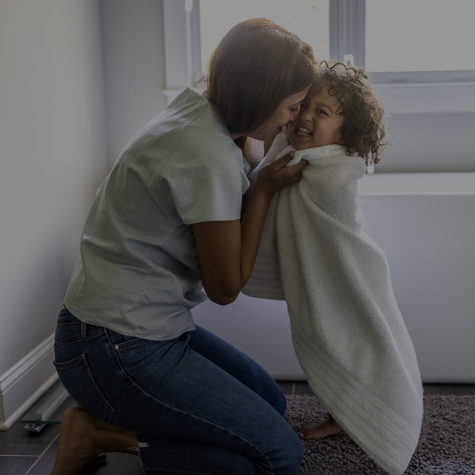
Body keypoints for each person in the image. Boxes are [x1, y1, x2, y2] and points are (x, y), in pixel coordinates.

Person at [51, 19, 316, 475]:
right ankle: (98, 434)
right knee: (278, 456)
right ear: (257, 93)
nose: (292, 119)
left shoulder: (197, 111)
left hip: (133, 329)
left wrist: (261, 157)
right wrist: (266, 189)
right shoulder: (206, 154)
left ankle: (127, 428)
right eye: (290, 107)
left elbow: (237, 172)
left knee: (271, 402)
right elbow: (226, 287)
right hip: (114, 349)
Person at [247, 60, 388, 449]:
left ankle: (361, 413)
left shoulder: (334, 167)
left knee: (354, 342)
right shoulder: (289, 151)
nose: (305, 116)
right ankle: (342, 412)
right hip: (323, 275)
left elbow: (336, 221)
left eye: (321, 112)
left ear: (346, 134)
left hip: (352, 271)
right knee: (331, 342)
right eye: (303, 106)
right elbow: (263, 171)